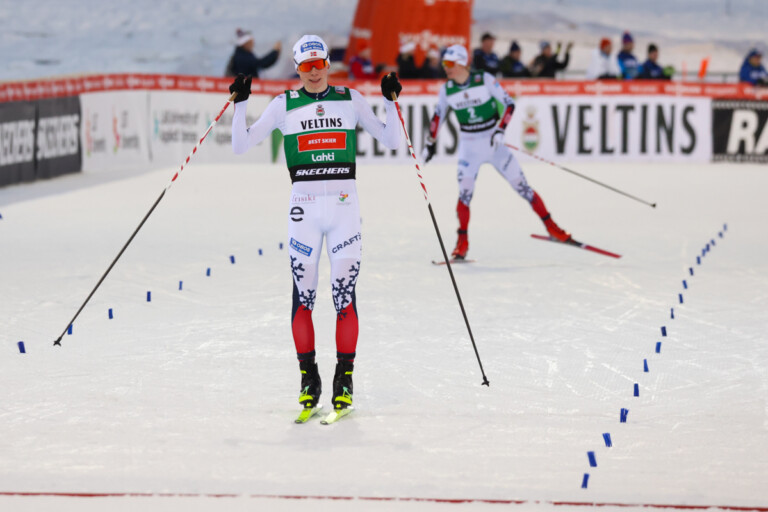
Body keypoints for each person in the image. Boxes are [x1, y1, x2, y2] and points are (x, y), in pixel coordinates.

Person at [229, 35, 402, 419]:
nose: (313, 72)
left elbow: (392, 140)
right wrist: (239, 105)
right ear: (297, 68)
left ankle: (344, 378)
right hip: (303, 212)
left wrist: (391, 101)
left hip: (344, 210)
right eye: (305, 67)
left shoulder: (350, 99)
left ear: (327, 63)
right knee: (303, 299)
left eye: (318, 64)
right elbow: (241, 145)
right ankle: (309, 378)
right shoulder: (282, 105)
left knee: (344, 296)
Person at [421, 44, 571, 261]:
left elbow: (509, 104)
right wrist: (430, 144)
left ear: (462, 63)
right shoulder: (447, 89)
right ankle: (462, 243)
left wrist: (501, 130)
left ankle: (552, 228)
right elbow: (438, 116)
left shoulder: (485, 80)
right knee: (464, 194)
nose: (446, 68)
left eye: (449, 63)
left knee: (523, 187)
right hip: (469, 147)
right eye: (444, 63)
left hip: (494, 145)